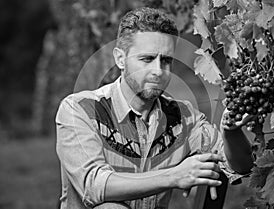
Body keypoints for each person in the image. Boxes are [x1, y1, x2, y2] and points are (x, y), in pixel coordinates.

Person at [55, 7, 254, 209]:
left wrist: (231, 131)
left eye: (166, 60)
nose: (158, 71)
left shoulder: (183, 117)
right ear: (120, 59)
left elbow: (241, 166)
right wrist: (174, 176)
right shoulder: (79, 109)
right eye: (147, 59)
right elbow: (93, 186)